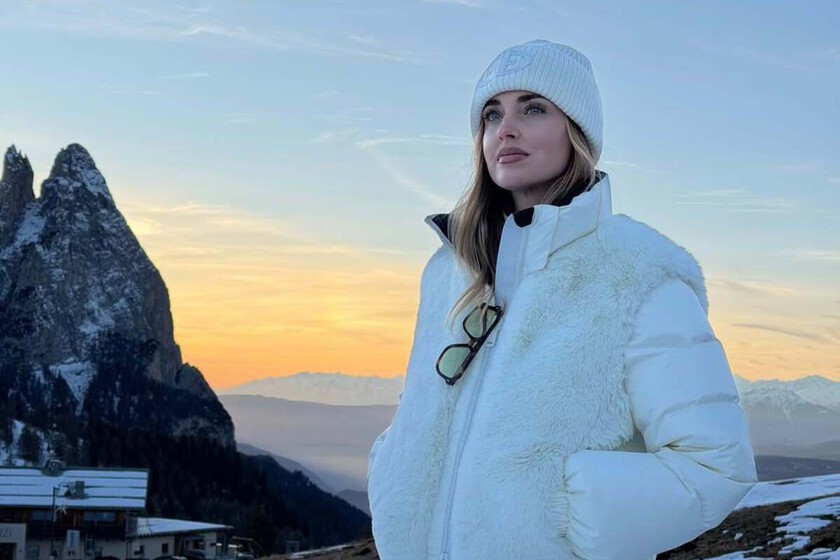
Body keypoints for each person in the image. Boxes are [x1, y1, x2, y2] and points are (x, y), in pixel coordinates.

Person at [366, 39, 758, 560]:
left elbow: (714, 464)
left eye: (533, 109)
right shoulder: (450, 269)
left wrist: (559, 513)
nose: (505, 129)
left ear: (578, 132)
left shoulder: (638, 274)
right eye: (491, 114)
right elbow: (423, 410)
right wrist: (392, 475)